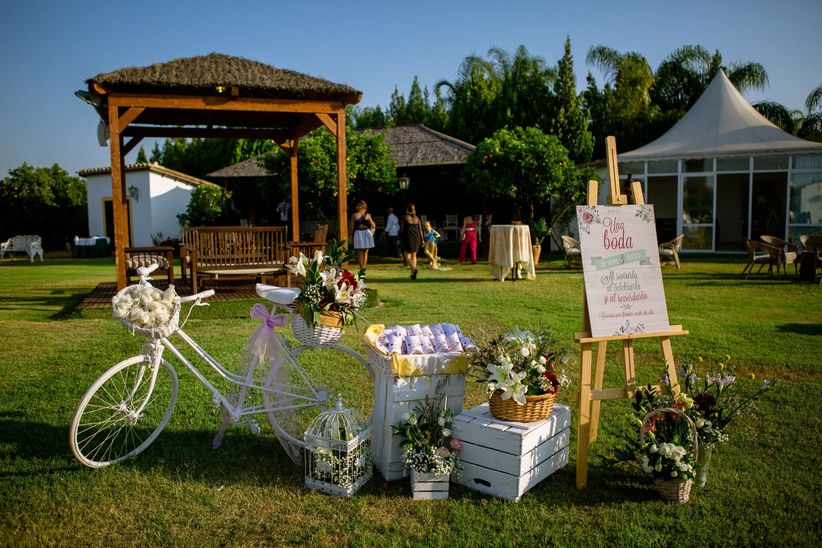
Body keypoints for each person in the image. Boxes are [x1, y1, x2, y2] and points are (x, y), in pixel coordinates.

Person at [350, 200, 376, 277]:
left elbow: (373, 226)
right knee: (360, 252)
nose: (360, 208)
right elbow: (351, 227)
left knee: (365, 252)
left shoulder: (368, 215)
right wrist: (350, 236)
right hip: (358, 232)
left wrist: (369, 219)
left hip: (366, 232)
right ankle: (362, 270)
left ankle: (363, 269)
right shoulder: (354, 215)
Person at [399, 203, 423, 280]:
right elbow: (420, 230)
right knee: (414, 255)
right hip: (416, 238)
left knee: (407, 257)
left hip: (408, 237)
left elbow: (402, 229)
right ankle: (413, 275)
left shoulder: (404, 217)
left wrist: (399, 238)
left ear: (407, 209)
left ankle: (414, 268)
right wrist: (422, 240)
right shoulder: (417, 218)